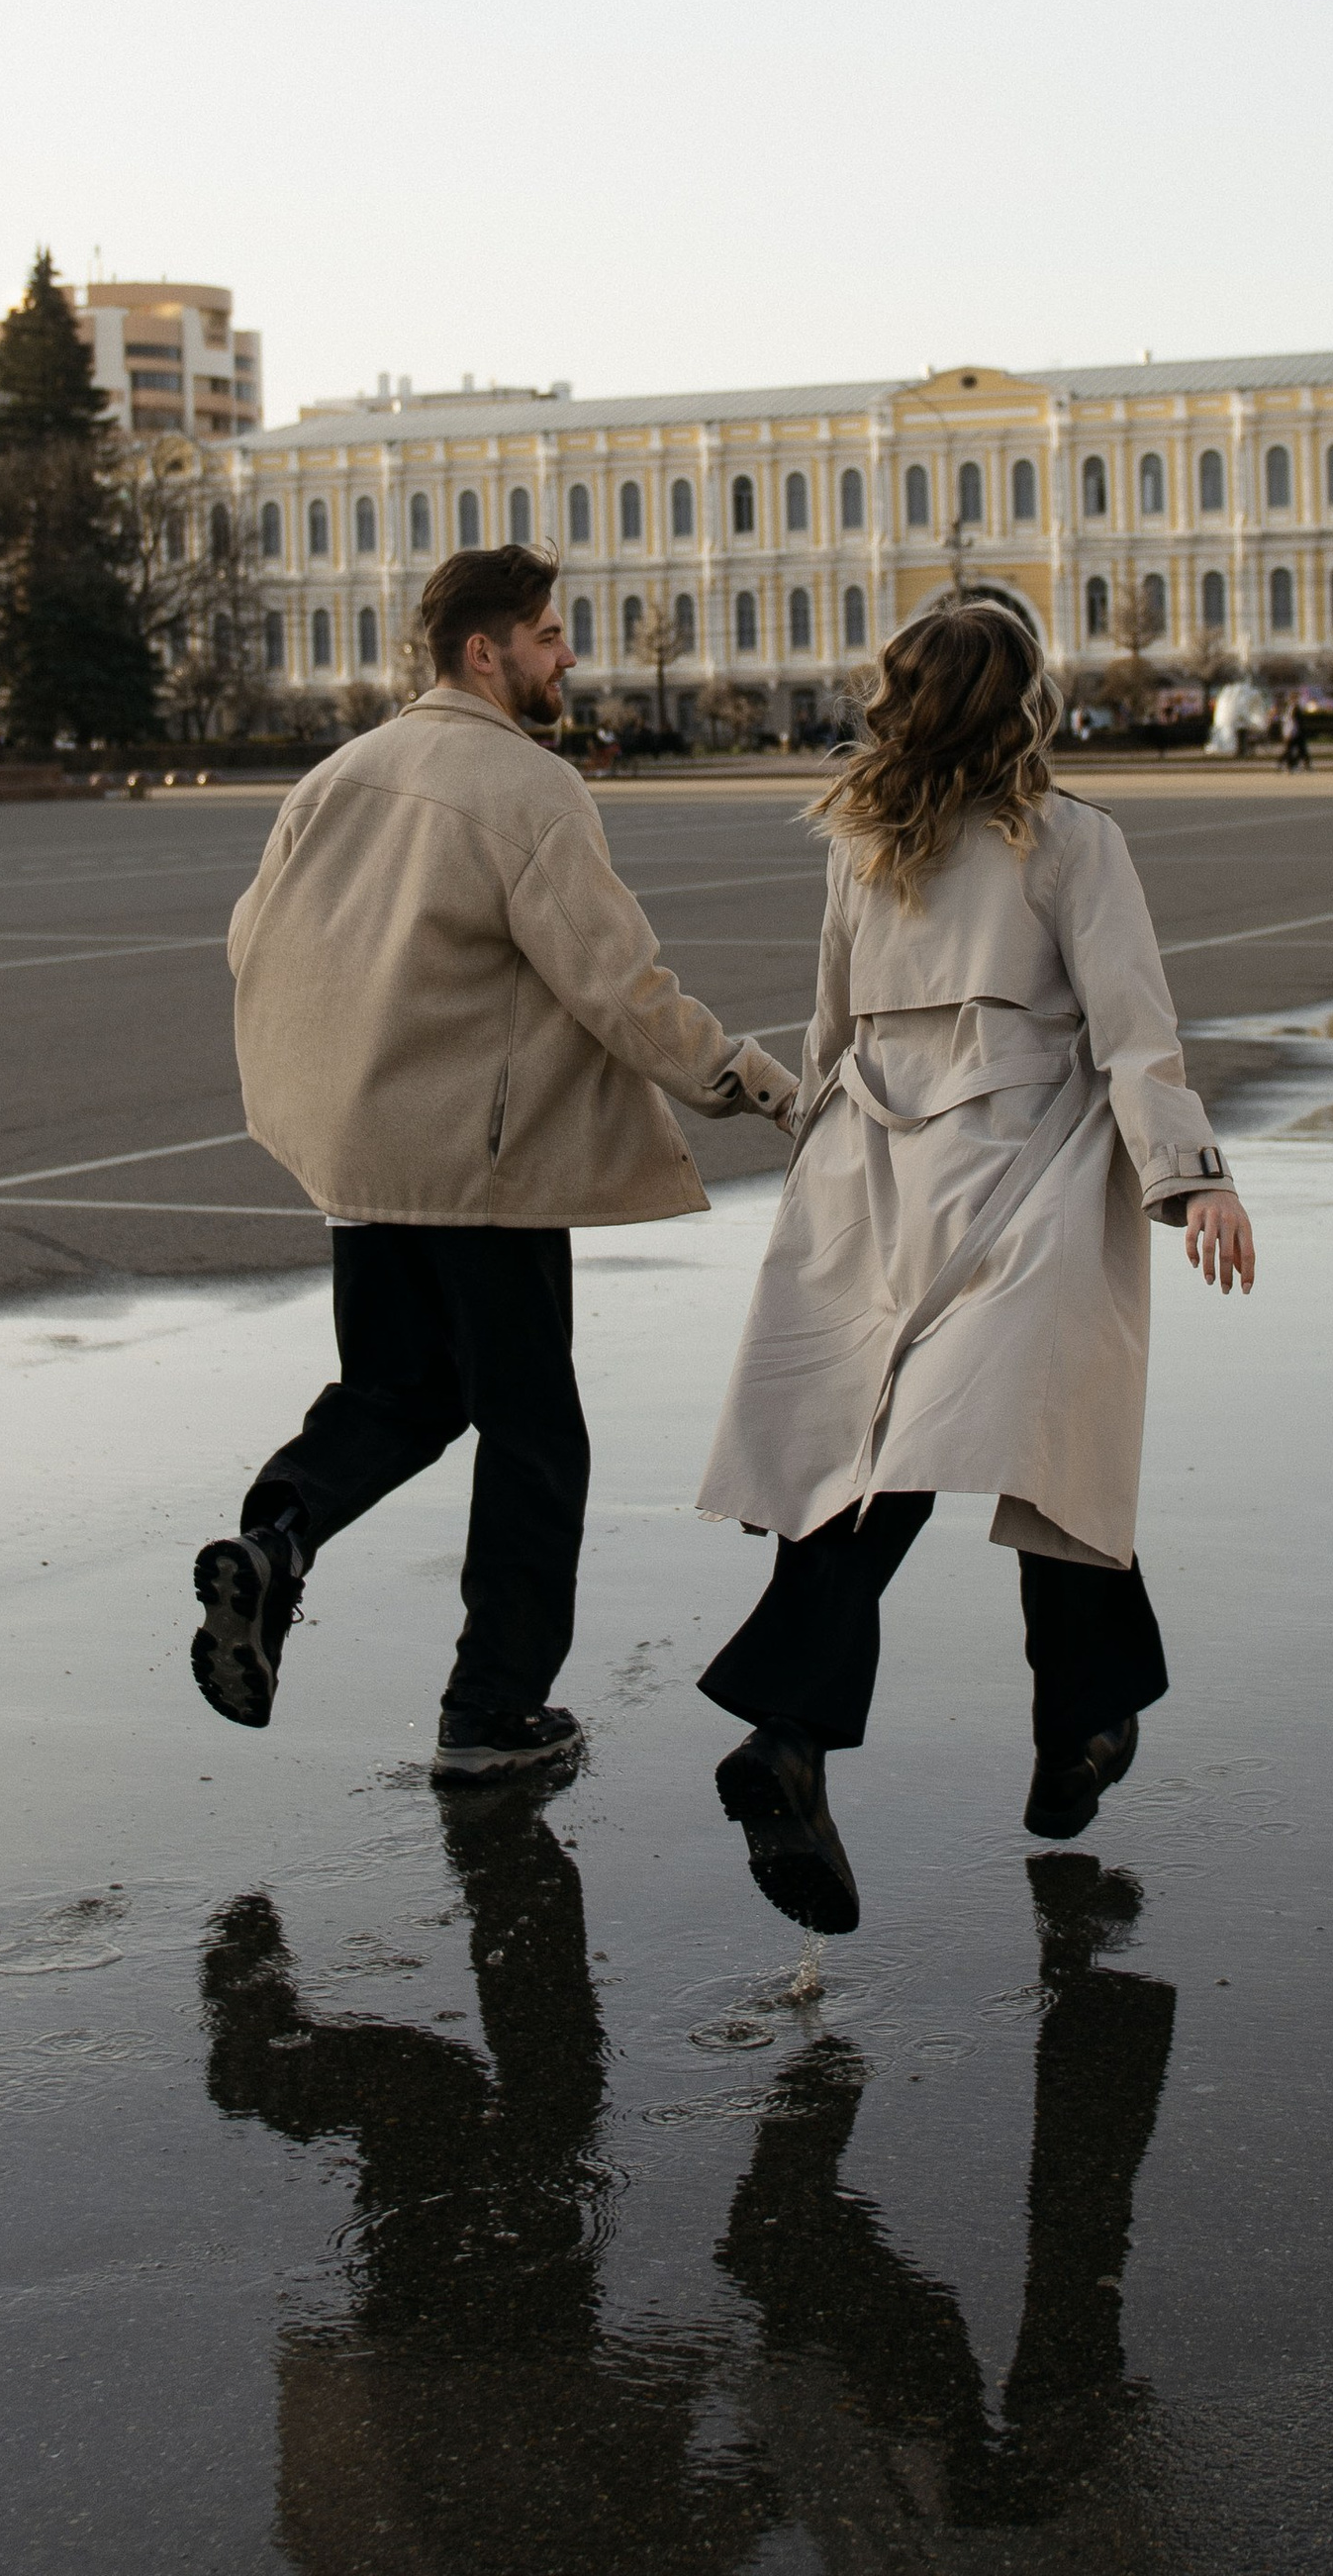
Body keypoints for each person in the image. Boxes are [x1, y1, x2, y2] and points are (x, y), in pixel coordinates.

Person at [194, 544, 800, 1785]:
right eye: (547, 633)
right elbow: (618, 984)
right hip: (481, 1168)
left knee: (396, 1395)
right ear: (487, 653)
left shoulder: (335, 778)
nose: (566, 654)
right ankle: (491, 1711)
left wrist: (330, 1091)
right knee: (534, 1439)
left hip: (367, 1163)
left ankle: (275, 1538)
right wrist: (749, 1081)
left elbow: (248, 941)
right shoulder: (527, 789)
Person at [697, 597, 1254, 1931]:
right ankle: (1066, 1725)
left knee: (877, 1461)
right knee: (1036, 1433)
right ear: (1027, 705)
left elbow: (831, 1031)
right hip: (1022, 1167)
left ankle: (856, 1734)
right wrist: (1191, 1176)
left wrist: (819, 1185)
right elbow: (1134, 1031)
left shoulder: (859, 848)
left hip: (878, 1170)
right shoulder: (1072, 843)